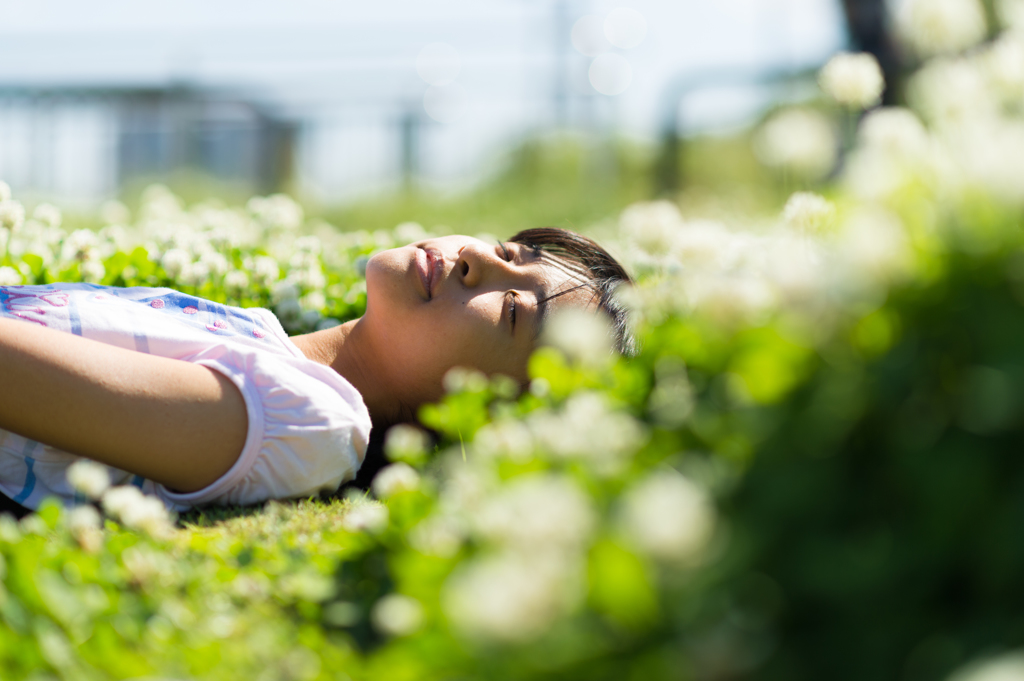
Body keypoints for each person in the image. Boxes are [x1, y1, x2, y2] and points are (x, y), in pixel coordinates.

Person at [0, 227, 633, 517]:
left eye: (513, 311)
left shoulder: (312, 422)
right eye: (507, 252)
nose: (473, 260)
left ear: (487, 412)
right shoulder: (259, 336)